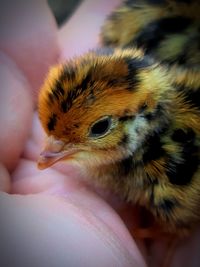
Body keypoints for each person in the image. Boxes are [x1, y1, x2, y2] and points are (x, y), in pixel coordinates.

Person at [0, 1, 199, 266]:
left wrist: (174, 229)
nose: (48, 151)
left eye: (100, 128)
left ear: (145, 114)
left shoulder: (166, 169)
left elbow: (184, 208)